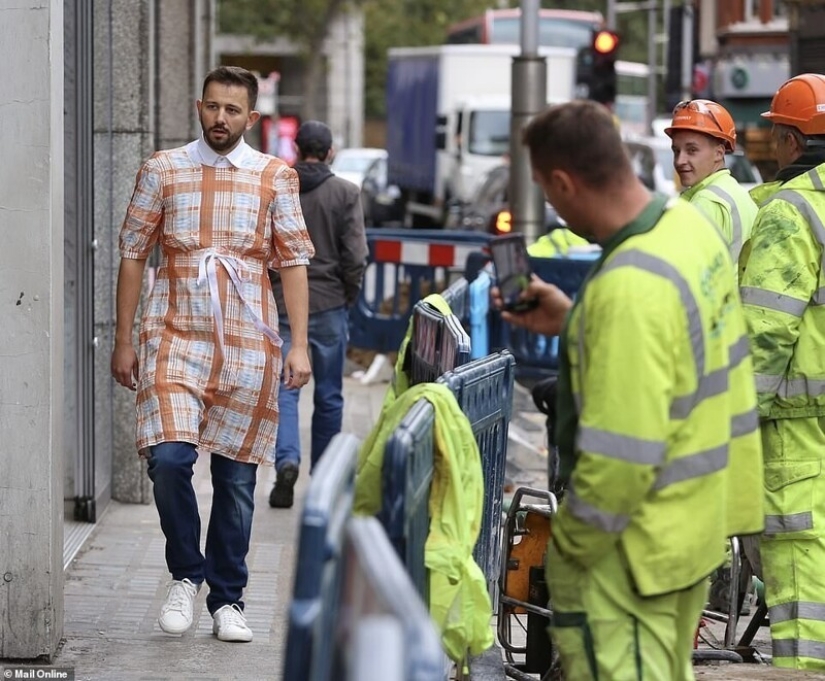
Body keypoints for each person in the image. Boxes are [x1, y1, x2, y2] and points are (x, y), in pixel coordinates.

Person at [495, 100, 763, 680]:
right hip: (694, 526)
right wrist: (575, 319)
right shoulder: (685, 227)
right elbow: (676, 355)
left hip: (631, 556)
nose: (549, 202)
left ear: (564, 182)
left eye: (545, 188)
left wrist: (567, 555)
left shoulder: (629, 289)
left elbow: (619, 464)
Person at [110, 65, 314, 643]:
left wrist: (298, 345)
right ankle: (185, 574)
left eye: (233, 110)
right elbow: (132, 254)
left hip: (249, 341)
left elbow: (295, 260)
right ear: (199, 107)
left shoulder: (276, 177)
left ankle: (229, 599)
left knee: (236, 479)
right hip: (173, 334)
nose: (220, 119)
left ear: (252, 118)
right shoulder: (163, 169)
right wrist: (125, 339)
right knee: (169, 459)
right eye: (212, 107)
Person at [738, 73, 825, 671]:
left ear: (790, 143)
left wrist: (735, 420)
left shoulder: (792, 212)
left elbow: (764, 334)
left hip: (798, 432)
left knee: (801, 572)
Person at [268, 120, 368, 508]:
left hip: (281, 306)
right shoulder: (345, 193)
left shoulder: (278, 187)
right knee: (329, 396)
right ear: (329, 152)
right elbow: (355, 256)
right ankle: (324, 482)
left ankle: (286, 461)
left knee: (285, 391)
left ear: (295, 149)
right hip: (328, 306)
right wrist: (348, 294)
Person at [664, 98, 757, 273]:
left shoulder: (706, 202)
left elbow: (688, 273)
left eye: (692, 150)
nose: (680, 160)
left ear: (719, 153)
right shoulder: (737, 192)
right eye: (676, 151)